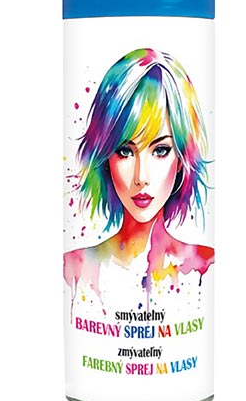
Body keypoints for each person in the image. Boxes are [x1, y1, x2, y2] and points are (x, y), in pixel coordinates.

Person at [63, 48, 214, 317]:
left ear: (182, 158)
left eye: (160, 150)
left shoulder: (205, 269)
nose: (141, 177)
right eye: (125, 151)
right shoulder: (74, 270)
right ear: (105, 157)